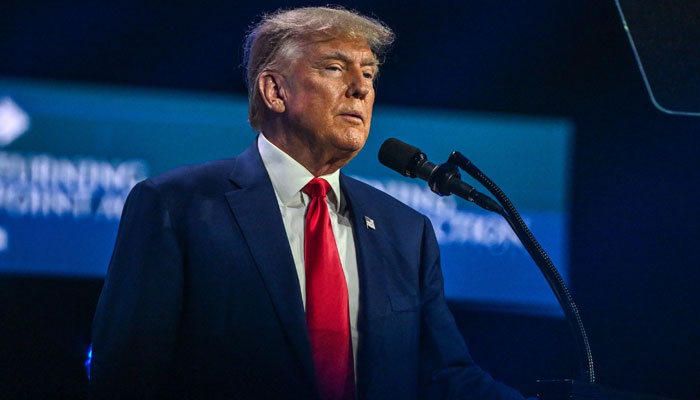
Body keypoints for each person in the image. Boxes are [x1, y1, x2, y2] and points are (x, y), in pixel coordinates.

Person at [89, 6, 527, 400]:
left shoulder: (406, 232)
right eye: (335, 68)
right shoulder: (176, 206)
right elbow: (126, 379)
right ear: (274, 91)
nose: (360, 88)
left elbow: (444, 377)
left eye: (369, 74)